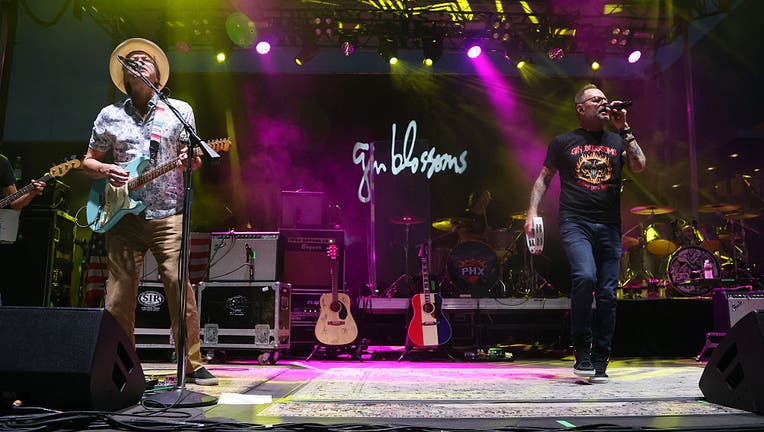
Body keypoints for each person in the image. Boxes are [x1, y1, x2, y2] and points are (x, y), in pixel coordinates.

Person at [82, 38, 217, 386]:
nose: (139, 63)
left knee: (178, 285)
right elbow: (88, 161)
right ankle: (121, 364)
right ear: (125, 76)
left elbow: (192, 158)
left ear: (157, 73)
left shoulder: (178, 111)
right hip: (122, 215)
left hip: (168, 212)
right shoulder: (110, 115)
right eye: (133, 61)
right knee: (119, 294)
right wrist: (105, 169)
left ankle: (192, 363)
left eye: (146, 60)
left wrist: (191, 161)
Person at [524, 84, 646, 384]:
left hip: (609, 224)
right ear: (581, 108)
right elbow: (543, 179)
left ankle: (601, 357)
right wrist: (532, 211)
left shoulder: (617, 139)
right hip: (575, 221)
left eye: (605, 99)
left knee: (607, 293)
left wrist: (624, 127)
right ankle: (582, 350)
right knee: (585, 276)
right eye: (596, 100)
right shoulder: (563, 142)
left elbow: (640, 165)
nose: (604, 102)